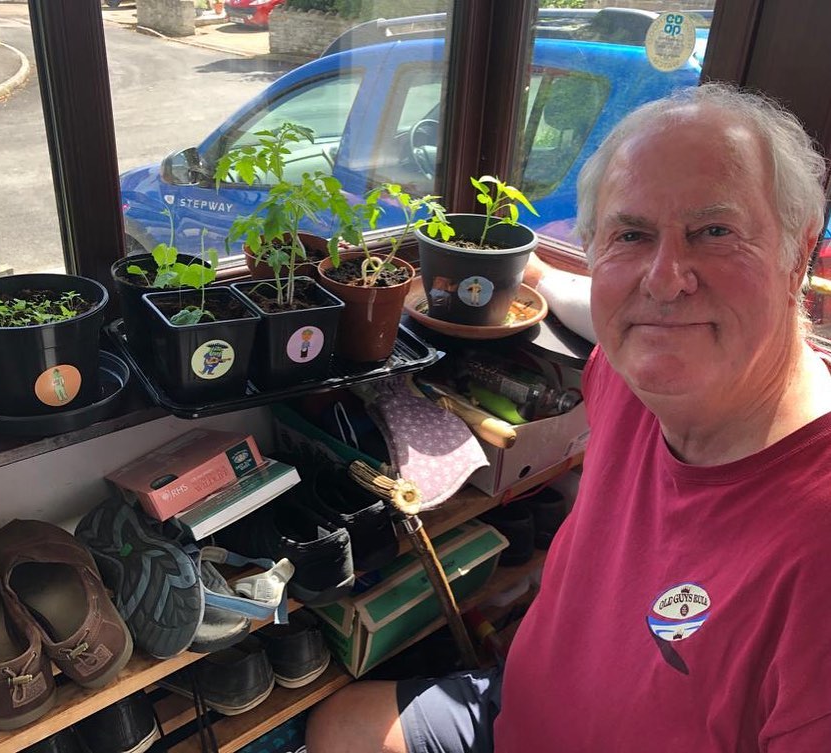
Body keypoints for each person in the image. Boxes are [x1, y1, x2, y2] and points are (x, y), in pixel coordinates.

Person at [305, 82, 831, 752]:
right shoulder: (626, 376)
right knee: (338, 727)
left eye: (715, 232)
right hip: (509, 713)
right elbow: (596, 295)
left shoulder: (817, 552)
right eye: (631, 234)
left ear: (799, 255)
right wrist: (541, 281)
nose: (664, 279)